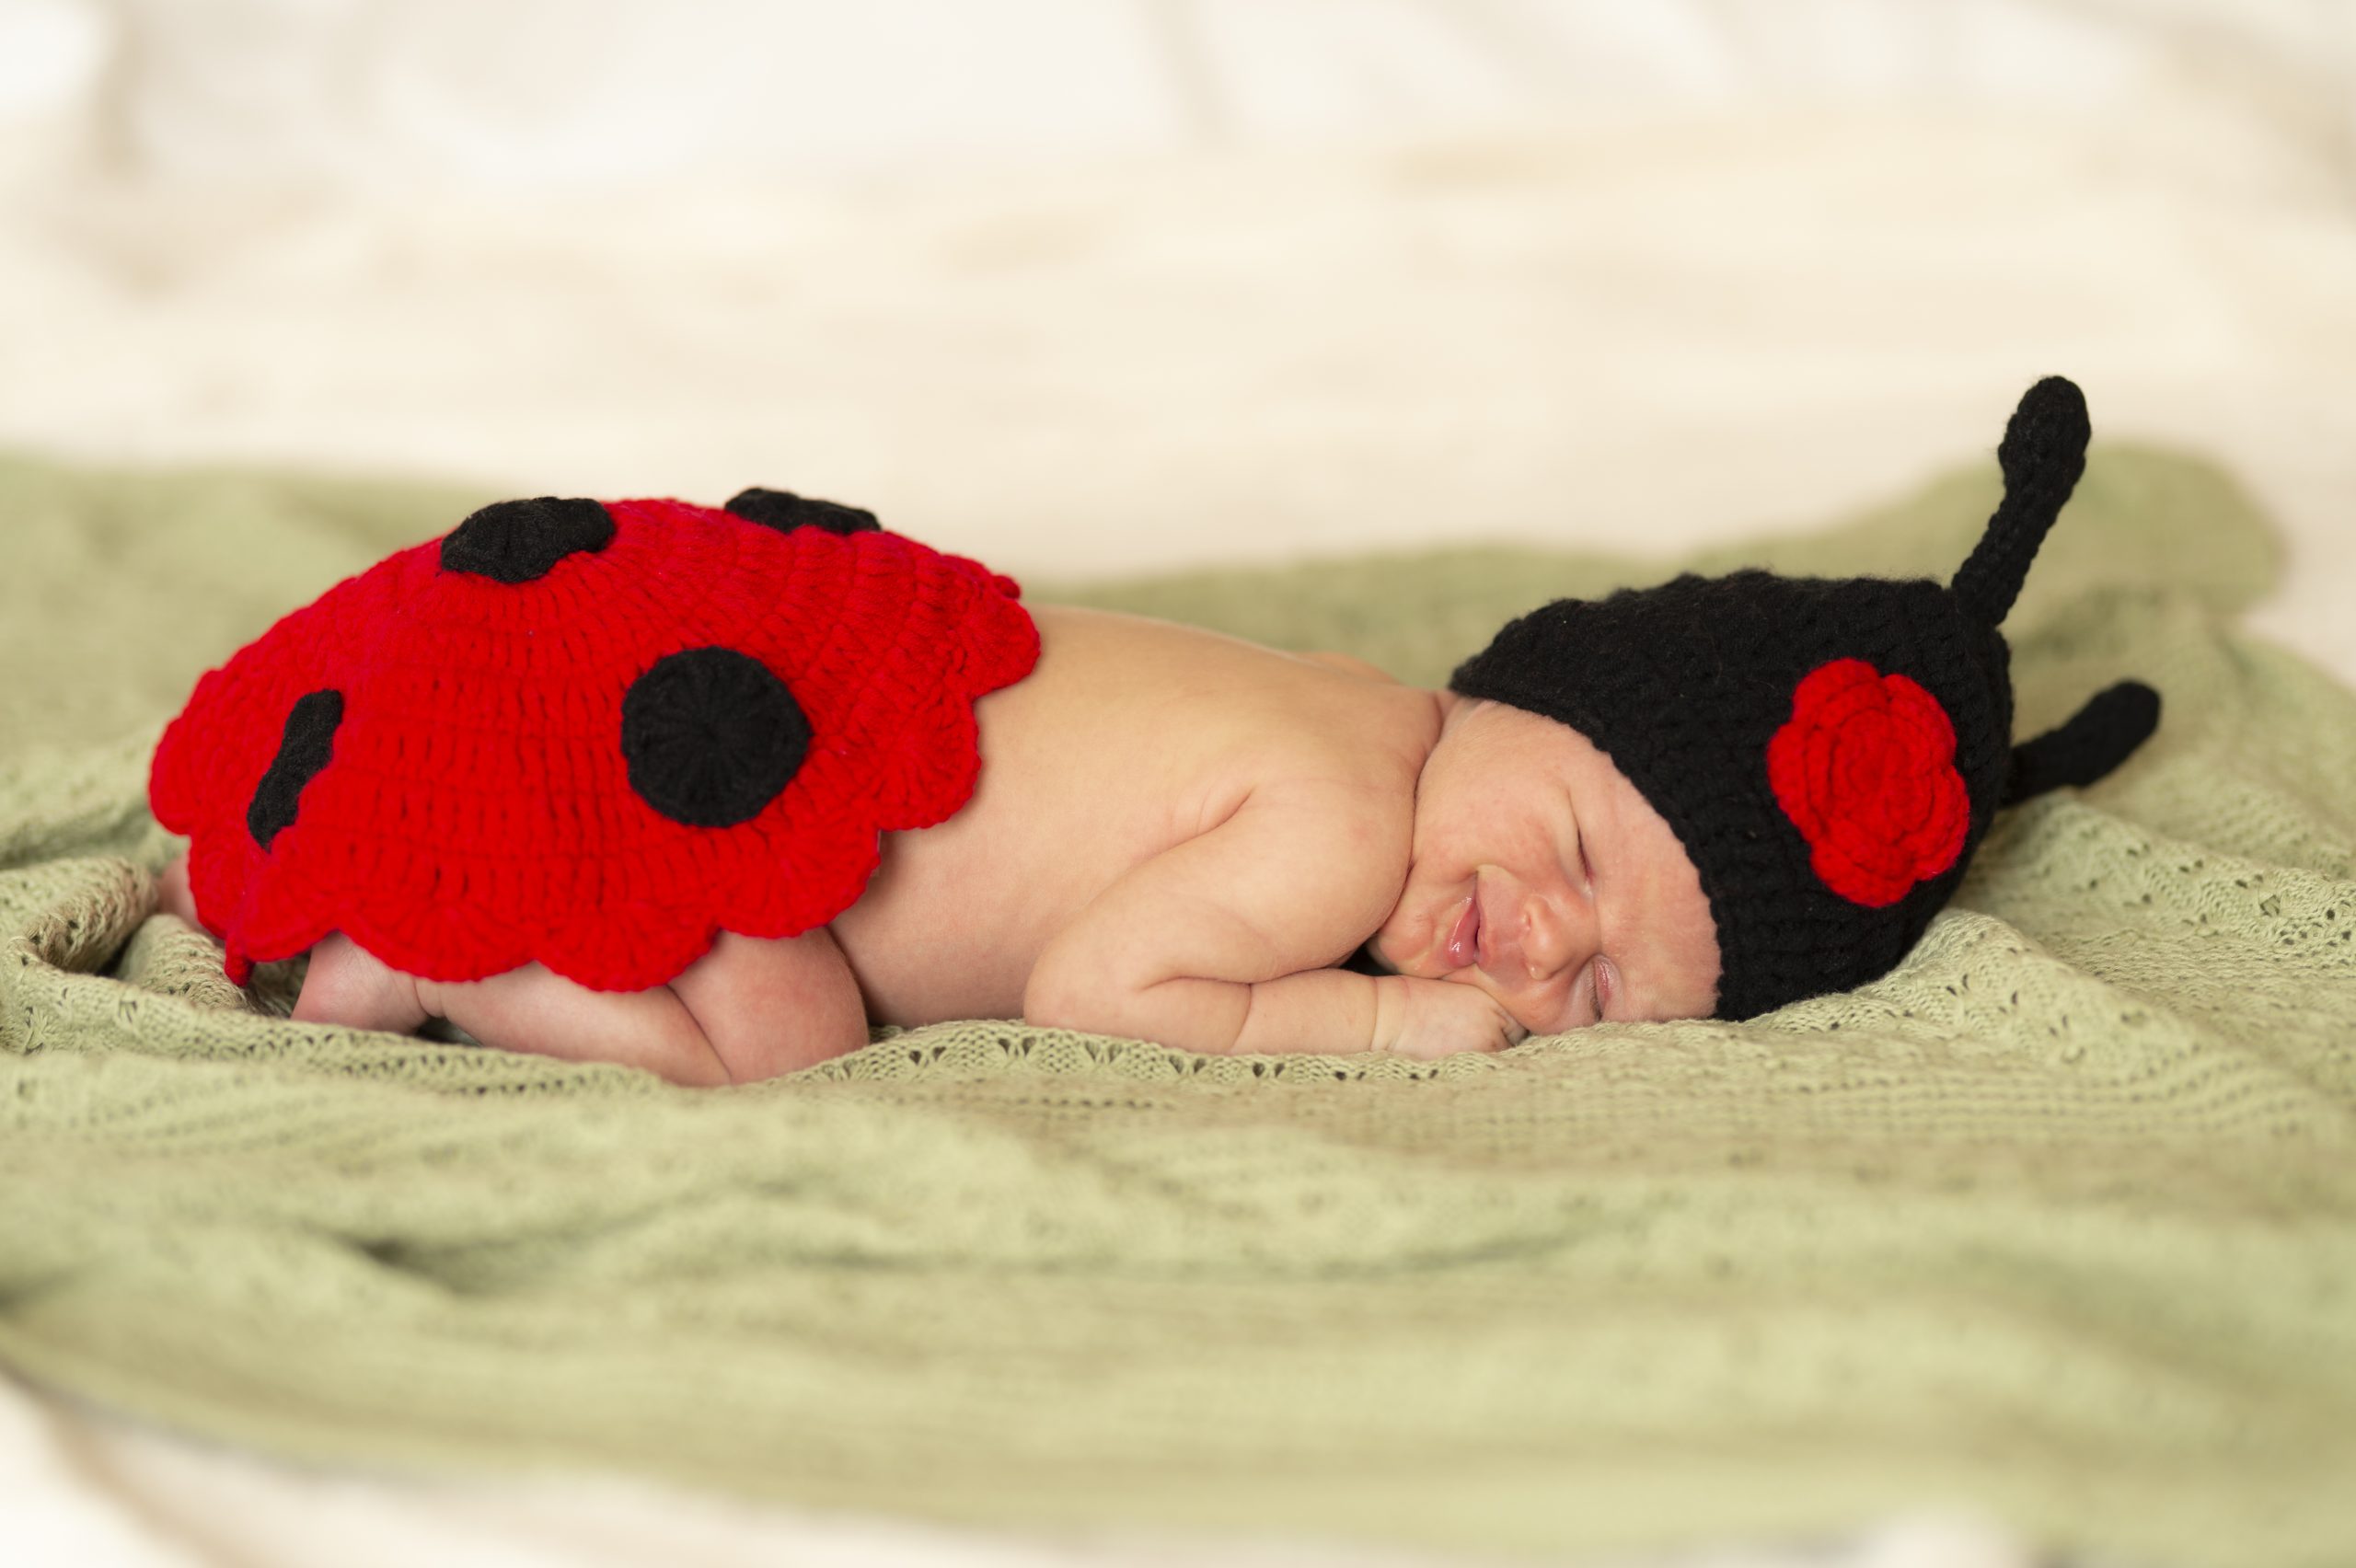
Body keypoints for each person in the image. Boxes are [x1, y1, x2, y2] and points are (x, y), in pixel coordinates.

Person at [153, 377, 2157, 1085]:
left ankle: (397, 887)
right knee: (781, 1049)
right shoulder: (1338, 823)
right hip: (732, 766)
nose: (1539, 944)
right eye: (1571, 849)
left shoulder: (1370, 715)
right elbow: (1104, 988)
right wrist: (1376, 1030)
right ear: (1519, 699)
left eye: (1609, 992)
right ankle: (447, 954)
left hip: (715, 671)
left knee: (741, 939)